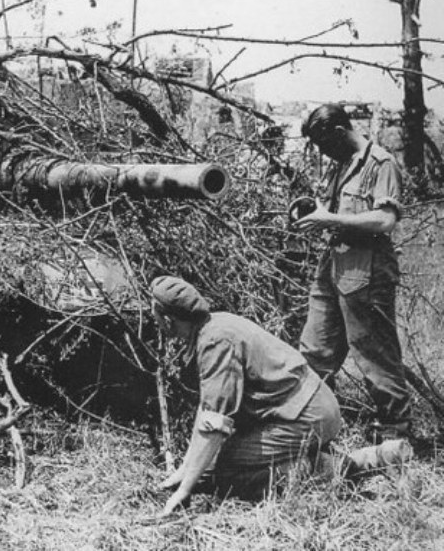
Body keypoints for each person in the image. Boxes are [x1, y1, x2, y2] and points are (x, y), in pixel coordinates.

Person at [150, 276, 342, 516]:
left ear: (168, 321)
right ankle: (310, 458)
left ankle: (326, 468)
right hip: (310, 407)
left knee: (226, 470)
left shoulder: (215, 342)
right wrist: (186, 469)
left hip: (308, 416)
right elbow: (208, 407)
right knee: (208, 467)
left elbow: (215, 423)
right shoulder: (214, 325)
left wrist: (184, 490)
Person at [293, 104, 411, 439]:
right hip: (333, 267)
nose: (322, 151)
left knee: (374, 353)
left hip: (367, 272)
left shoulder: (381, 163)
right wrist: (313, 212)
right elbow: (334, 210)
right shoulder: (342, 164)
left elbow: (385, 220)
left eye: (323, 143)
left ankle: (395, 432)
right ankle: (309, 420)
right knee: (316, 349)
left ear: (338, 132)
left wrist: (330, 220)